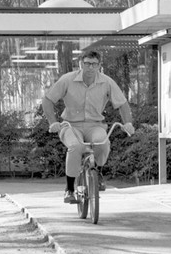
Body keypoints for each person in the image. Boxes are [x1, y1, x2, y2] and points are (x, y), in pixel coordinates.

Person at [42, 50, 135, 204]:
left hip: (95, 125)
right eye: (87, 64)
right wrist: (53, 122)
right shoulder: (67, 80)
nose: (90, 67)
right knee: (75, 147)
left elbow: (122, 104)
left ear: (99, 65)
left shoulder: (107, 82)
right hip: (70, 125)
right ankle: (69, 189)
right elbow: (48, 100)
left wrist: (128, 123)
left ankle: (97, 172)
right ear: (81, 64)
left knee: (103, 143)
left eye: (94, 64)